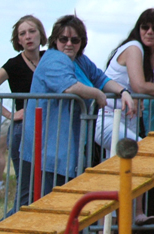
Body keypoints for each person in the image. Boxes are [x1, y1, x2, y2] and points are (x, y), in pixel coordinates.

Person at [19, 15, 135, 209]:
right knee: (32, 209)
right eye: (64, 39)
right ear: (55, 40)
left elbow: (100, 78)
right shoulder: (53, 60)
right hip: (46, 152)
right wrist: (97, 95)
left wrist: (123, 92)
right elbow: (70, 87)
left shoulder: (80, 60)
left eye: (75, 40)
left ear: (82, 42)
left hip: (67, 150)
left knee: (60, 208)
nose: (69, 44)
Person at [0, 15, 47, 211]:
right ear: (17, 40)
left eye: (32, 31)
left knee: (46, 189)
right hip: (23, 131)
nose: (28, 37)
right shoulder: (14, 64)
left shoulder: (50, 58)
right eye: (22, 34)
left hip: (50, 130)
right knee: (26, 191)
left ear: (41, 34)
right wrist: (10, 115)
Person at [95, 8, 154, 226]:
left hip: (125, 121)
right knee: (143, 154)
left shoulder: (146, 54)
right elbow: (139, 85)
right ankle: (136, 214)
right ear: (138, 29)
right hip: (109, 120)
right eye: (145, 27)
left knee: (114, 179)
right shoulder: (134, 48)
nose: (149, 32)